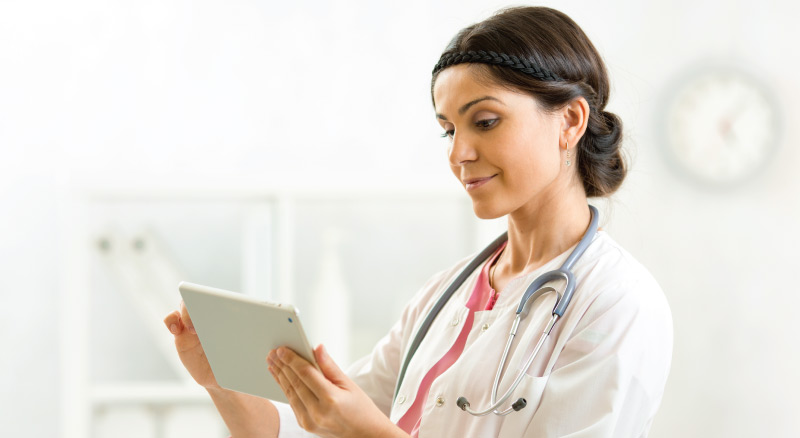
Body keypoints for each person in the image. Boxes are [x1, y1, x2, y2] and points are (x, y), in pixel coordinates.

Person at [164, 6, 672, 437]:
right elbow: (312, 426)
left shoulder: (618, 303)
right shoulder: (446, 294)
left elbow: (359, 427)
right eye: (447, 130)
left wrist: (367, 433)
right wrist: (221, 382)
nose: (460, 153)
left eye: (485, 121)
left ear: (570, 121)